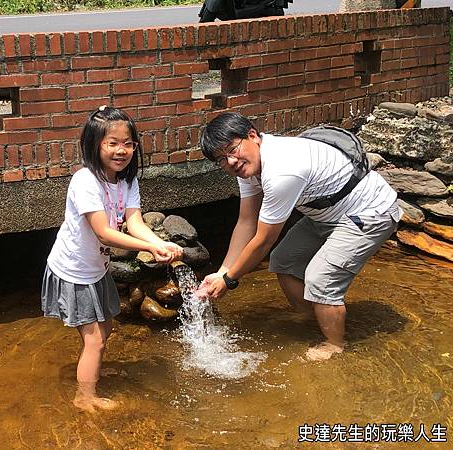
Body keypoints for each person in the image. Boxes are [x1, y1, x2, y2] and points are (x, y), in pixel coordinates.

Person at [196, 112, 400, 361]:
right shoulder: (250, 167)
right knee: (284, 260)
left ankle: (334, 344)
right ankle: (314, 318)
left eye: (232, 149)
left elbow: (263, 241)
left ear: (252, 136)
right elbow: (246, 222)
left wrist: (229, 280)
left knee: (321, 279)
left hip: (369, 212)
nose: (230, 161)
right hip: (326, 214)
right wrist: (222, 271)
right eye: (221, 159)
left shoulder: (282, 171)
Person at [41, 106, 183, 412]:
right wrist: (151, 250)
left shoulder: (126, 182)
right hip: (74, 270)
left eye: (128, 143)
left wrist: (160, 242)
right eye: (113, 143)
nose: (122, 150)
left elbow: (135, 222)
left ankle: (90, 371)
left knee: (104, 328)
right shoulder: (85, 181)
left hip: (97, 267)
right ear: (95, 145)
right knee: (95, 340)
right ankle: (84, 398)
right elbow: (104, 233)